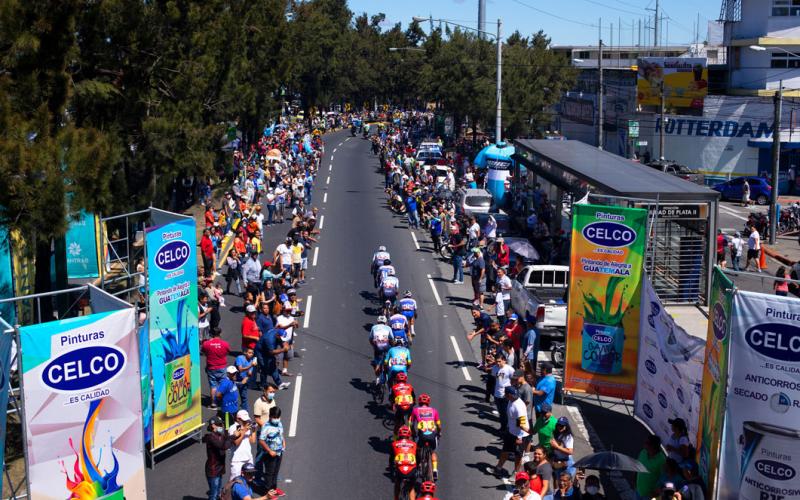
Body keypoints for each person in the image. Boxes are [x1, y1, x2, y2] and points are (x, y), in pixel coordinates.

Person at [494, 386, 530, 476]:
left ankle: (516, 474)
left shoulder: (518, 407)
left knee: (518, 456)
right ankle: (498, 468)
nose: (515, 396)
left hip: (520, 435)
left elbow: (521, 424)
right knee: (505, 451)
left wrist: (519, 438)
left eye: (515, 395)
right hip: (511, 431)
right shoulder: (511, 401)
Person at [410, 393, 441, 480]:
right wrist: (439, 433)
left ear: (419, 402)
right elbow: (439, 425)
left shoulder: (415, 410)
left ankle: (418, 465)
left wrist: (413, 432)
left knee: (417, 449)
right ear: (428, 402)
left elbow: (411, 424)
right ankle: (435, 470)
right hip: (432, 435)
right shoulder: (434, 411)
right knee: (433, 452)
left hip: (422, 436)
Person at [257, 406, 285, 498]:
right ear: (270, 416)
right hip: (270, 454)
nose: (277, 419)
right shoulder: (266, 426)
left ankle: (274, 489)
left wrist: (283, 442)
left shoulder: (279, 423)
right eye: (275, 417)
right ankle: (268, 493)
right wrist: (269, 451)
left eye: (278, 417)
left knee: (276, 472)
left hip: (279, 452)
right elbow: (261, 440)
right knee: (269, 474)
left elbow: (281, 434)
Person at [202, 416, 231, 500]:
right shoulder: (211, 437)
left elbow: (227, 439)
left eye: (222, 424)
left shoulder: (220, 435)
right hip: (213, 470)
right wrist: (232, 438)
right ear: (213, 425)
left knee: (218, 493)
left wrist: (232, 435)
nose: (222, 426)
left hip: (219, 468)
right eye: (220, 424)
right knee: (214, 495)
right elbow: (224, 446)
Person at [202, 327, 230, 410]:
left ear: (211, 334)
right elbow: (227, 352)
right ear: (220, 333)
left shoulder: (206, 344)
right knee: (223, 385)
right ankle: (223, 402)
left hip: (211, 367)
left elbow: (203, 352)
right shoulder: (225, 344)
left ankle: (213, 403)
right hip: (222, 367)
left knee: (213, 386)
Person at [636, 434, 667, 500]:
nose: (644, 443)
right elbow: (637, 465)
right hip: (638, 490)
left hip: (649, 495)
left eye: (647, 442)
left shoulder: (662, 460)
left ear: (653, 446)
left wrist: (656, 492)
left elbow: (664, 478)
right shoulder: (643, 452)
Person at [391, 425, 418, 500]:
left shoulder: (394, 444)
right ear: (409, 435)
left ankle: (396, 498)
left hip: (400, 470)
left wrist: (391, 467)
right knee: (411, 487)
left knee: (397, 484)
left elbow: (391, 458)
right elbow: (417, 457)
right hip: (411, 470)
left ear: (399, 434)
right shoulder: (414, 444)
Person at [489, 353, 515, 433]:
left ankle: (507, 429)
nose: (498, 363)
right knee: (501, 413)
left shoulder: (509, 369)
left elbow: (514, 379)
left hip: (506, 395)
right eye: (496, 361)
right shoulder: (494, 368)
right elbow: (494, 379)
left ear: (504, 360)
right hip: (497, 394)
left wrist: (510, 389)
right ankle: (503, 427)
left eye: (499, 361)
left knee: (506, 413)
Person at [228, 410, 256, 479]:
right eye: (243, 420)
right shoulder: (233, 428)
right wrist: (244, 431)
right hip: (237, 460)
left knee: (249, 479)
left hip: (248, 458)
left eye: (246, 420)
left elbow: (252, 441)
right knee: (235, 480)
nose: (246, 421)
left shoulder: (246, 427)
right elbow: (236, 443)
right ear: (238, 419)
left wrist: (254, 430)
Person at [370, 316, 394, 384]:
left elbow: (370, 339)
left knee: (377, 362)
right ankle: (390, 364)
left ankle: (377, 378)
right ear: (385, 322)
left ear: (377, 322)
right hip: (386, 346)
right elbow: (392, 338)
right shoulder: (388, 328)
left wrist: (374, 346)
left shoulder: (374, 327)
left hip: (377, 347)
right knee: (390, 354)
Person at [550, 416, 575, 480]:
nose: (560, 427)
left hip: (566, 462)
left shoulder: (568, 436)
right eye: (559, 425)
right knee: (558, 480)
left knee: (565, 482)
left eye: (562, 426)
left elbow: (570, 451)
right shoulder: (556, 433)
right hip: (558, 460)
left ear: (566, 426)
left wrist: (557, 447)